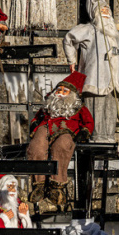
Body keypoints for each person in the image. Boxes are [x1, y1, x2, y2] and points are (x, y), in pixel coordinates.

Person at [63, 0, 119, 142]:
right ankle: (97, 136)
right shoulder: (88, 30)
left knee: (111, 109)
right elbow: (69, 38)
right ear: (95, 13)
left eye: (107, 10)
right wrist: (71, 60)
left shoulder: (115, 35)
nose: (105, 12)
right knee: (95, 109)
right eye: (102, 10)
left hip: (114, 80)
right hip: (95, 78)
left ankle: (109, 136)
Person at [26, 71, 94, 212]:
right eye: (59, 90)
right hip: (46, 127)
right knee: (36, 147)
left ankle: (57, 186)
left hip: (67, 130)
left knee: (62, 147)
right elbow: (37, 118)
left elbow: (88, 121)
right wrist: (34, 124)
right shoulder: (47, 109)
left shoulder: (78, 109)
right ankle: (38, 185)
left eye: (65, 91)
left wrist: (85, 131)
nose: (61, 93)